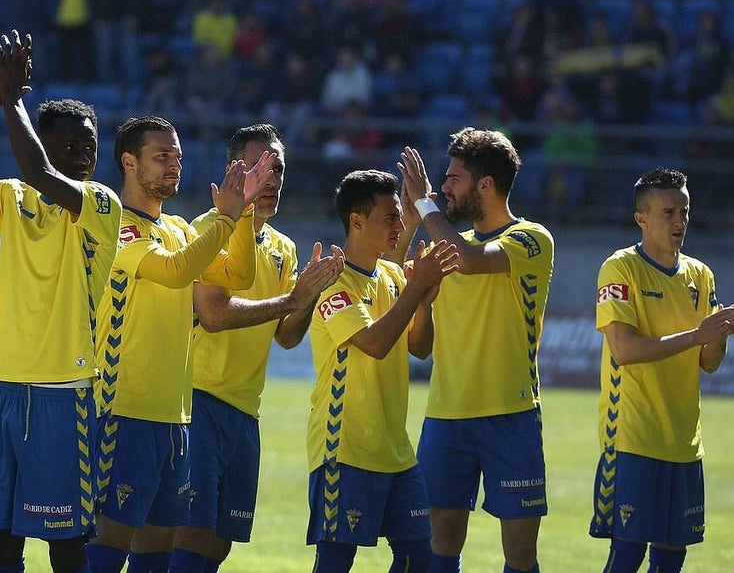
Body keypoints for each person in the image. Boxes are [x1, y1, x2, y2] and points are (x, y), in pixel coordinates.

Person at [0, 29, 123, 573]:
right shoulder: (13, 199)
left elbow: (39, 172)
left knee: (66, 548)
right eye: (70, 145)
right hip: (3, 390)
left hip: (65, 393)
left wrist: (13, 98)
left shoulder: (101, 206)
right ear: (41, 141)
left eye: (89, 146)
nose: (83, 155)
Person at [86, 116, 272, 573]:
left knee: (159, 546)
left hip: (175, 415)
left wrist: (243, 215)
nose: (174, 165)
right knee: (109, 538)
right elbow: (173, 272)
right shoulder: (120, 226)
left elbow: (238, 277)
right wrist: (226, 217)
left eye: (178, 157)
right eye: (162, 156)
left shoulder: (179, 228)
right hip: (122, 407)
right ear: (129, 162)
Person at [169, 124, 344, 573]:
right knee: (189, 533)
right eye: (260, 168)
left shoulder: (283, 247)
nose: (271, 180)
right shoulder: (209, 229)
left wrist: (308, 296)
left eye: (278, 168)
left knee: (221, 543)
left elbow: (285, 335)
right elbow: (213, 314)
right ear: (235, 172)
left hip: (245, 411)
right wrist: (291, 299)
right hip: (198, 401)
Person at [397, 129, 554, 573]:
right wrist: (422, 308)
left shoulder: (531, 239)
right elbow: (420, 348)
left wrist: (425, 206)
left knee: (520, 554)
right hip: (446, 417)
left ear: (486, 184)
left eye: (453, 178)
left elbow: (470, 258)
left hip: (512, 415)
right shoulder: (443, 244)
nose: (443, 187)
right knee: (439, 546)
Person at [306, 169, 458, 573]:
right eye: (390, 217)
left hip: (395, 451)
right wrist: (415, 288)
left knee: (419, 557)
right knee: (337, 559)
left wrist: (424, 302)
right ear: (356, 221)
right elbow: (374, 344)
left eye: (399, 215)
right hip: (345, 448)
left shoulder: (391, 274)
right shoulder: (334, 283)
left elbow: (419, 348)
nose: (400, 225)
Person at [588, 168, 734, 573]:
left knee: (672, 559)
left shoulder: (700, 275)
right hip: (633, 439)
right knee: (627, 556)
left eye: (684, 211)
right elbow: (625, 350)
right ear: (642, 219)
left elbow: (709, 362)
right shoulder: (620, 269)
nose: (680, 221)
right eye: (668, 212)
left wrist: (719, 333)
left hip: (684, 443)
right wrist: (697, 334)